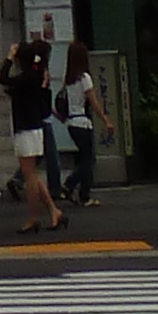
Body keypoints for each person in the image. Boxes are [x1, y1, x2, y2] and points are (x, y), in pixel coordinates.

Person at [2, 32, 63, 237]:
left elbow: (3, 78)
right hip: (33, 127)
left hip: (26, 128)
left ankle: (33, 217)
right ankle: (54, 211)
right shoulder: (35, 76)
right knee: (33, 175)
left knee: (29, 176)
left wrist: (9, 57)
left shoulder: (27, 77)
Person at [57, 38, 102, 207]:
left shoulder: (68, 80)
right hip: (83, 123)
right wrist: (105, 119)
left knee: (84, 159)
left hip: (71, 124)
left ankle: (85, 195)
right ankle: (69, 184)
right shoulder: (85, 78)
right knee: (88, 161)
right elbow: (93, 101)